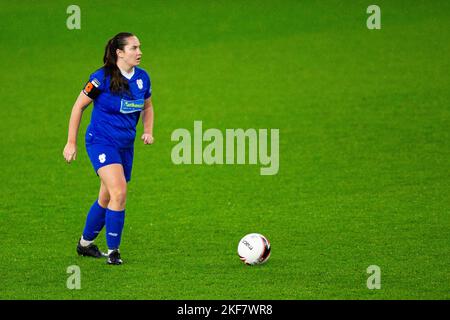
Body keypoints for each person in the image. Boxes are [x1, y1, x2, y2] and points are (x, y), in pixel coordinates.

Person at [63, 32, 155, 265]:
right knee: (119, 193)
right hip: (101, 141)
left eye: (139, 47)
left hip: (125, 145)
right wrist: (71, 142)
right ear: (120, 53)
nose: (139, 52)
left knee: (105, 197)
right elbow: (78, 107)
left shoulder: (142, 78)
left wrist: (148, 130)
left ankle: (84, 244)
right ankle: (113, 252)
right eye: (134, 48)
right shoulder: (100, 78)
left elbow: (148, 106)